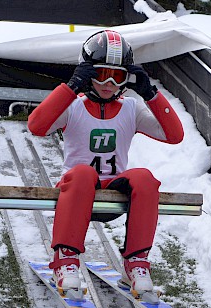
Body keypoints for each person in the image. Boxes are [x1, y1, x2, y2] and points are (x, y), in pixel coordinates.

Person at [28, 29, 184, 296]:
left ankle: (136, 263)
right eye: (101, 74)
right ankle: (65, 261)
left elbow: (175, 136)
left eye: (118, 75)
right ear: (86, 72)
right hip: (76, 190)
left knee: (145, 177)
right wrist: (70, 88)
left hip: (114, 188)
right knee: (82, 173)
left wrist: (151, 94)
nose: (109, 82)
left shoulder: (130, 109)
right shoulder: (74, 106)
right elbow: (36, 126)